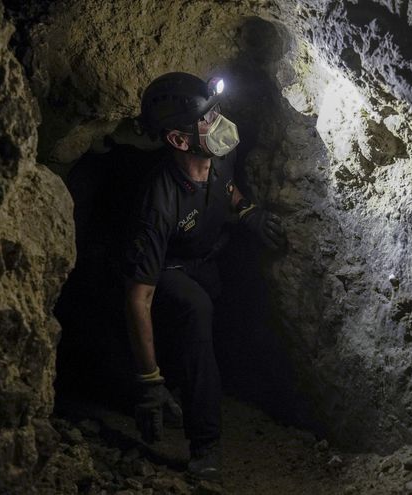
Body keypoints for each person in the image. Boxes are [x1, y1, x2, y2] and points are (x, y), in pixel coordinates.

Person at [122, 72, 285, 482]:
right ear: (179, 140)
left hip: (206, 261)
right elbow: (138, 296)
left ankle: (191, 381)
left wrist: (247, 212)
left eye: (217, 111)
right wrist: (148, 381)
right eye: (208, 118)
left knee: (220, 306)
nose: (220, 122)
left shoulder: (220, 153)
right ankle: (205, 444)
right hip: (167, 270)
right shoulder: (159, 201)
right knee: (196, 310)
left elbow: (226, 188)